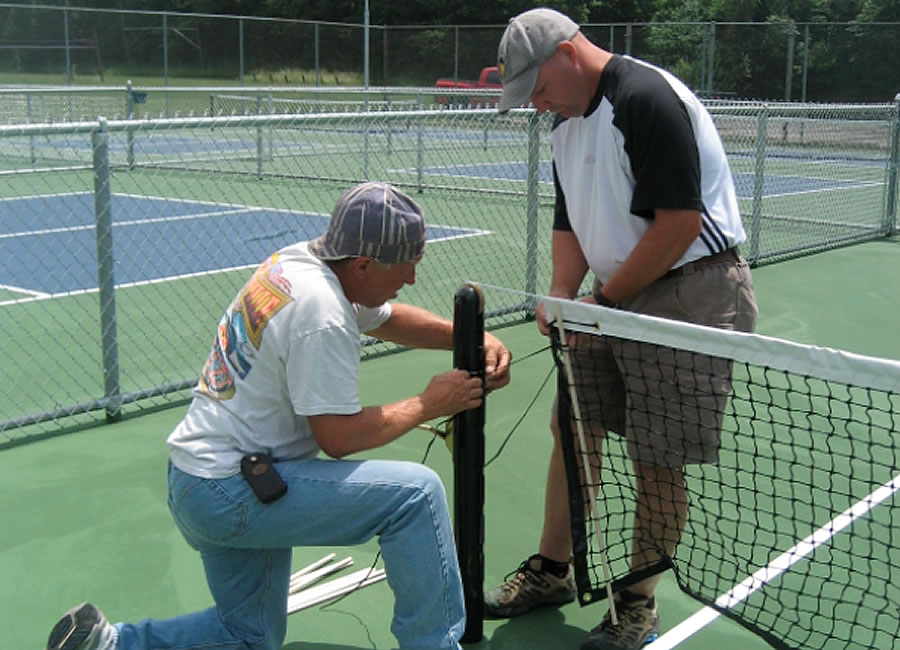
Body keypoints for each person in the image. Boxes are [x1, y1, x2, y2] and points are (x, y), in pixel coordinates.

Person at [46, 181, 512, 650]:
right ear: (363, 264)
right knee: (415, 495)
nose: (412, 276)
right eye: (406, 264)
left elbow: (385, 318)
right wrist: (429, 404)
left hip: (199, 479)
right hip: (232, 489)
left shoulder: (300, 263)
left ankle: (107, 644)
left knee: (249, 636)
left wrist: (465, 336)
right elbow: (338, 437)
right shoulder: (323, 313)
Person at [484, 8, 758, 650]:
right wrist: (561, 294)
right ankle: (554, 570)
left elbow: (678, 225)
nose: (535, 104)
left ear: (566, 55)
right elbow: (569, 220)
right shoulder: (565, 122)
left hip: (691, 291)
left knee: (656, 455)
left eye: (537, 87)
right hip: (615, 296)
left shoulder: (644, 98)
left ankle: (636, 605)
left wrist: (599, 301)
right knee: (572, 425)